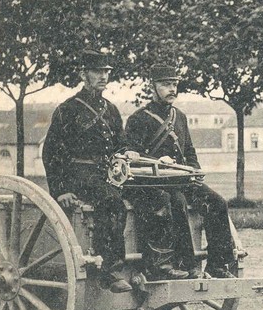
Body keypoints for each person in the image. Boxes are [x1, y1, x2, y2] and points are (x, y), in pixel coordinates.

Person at [42, 50, 184, 292]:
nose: (103, 76)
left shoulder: (111, 109)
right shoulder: (68, 109)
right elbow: (51, 153)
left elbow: (119, 146)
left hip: (110, 173)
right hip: (80, 176)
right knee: (111, 200)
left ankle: (157, 263)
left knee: (156, 195)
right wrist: (61, 190)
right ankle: (109, 270)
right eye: (97, 72)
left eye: (106, 72)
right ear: (83, 74)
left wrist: (128, 152)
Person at [125, 64, 236, 279]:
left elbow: (189, 151)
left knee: (218, 202)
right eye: (166, 84)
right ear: (152, 87)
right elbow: (133, 157)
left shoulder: (180, 117)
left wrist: (194, 170)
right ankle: (175, 264)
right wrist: (158, 161)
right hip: (155, 182)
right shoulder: (138, 119)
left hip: (182, 179)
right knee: (174, 201)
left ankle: (217, 264)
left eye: (174, 84)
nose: (172, 89)